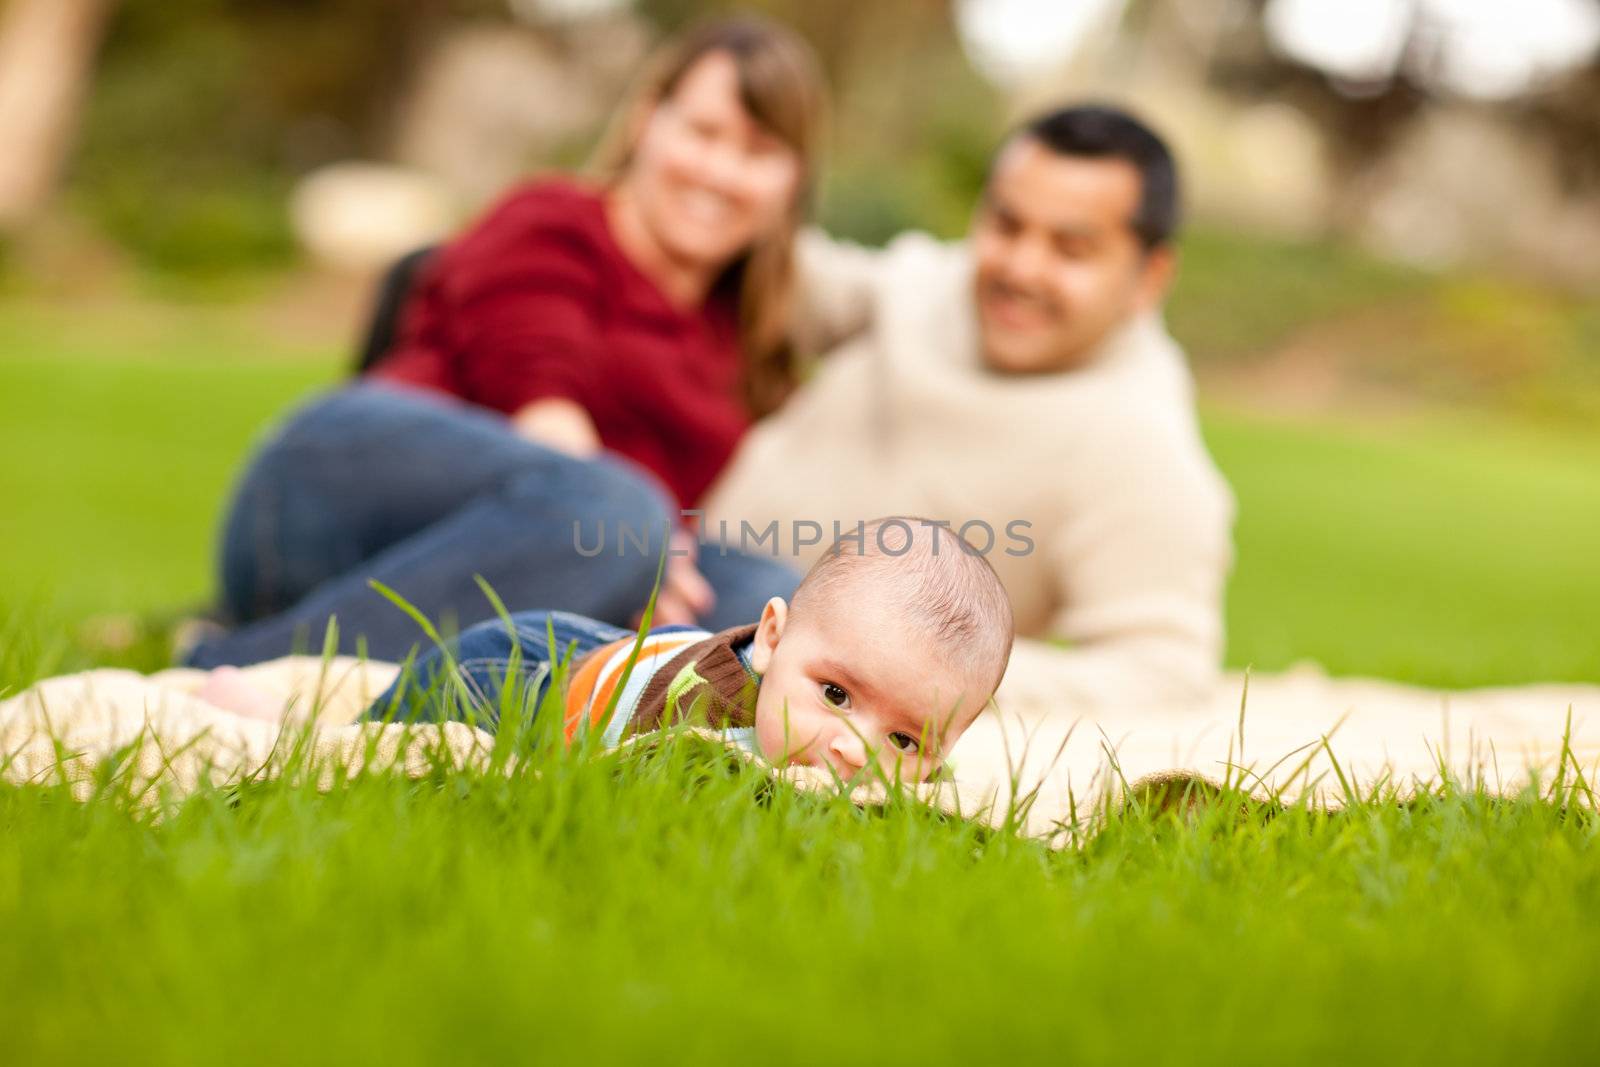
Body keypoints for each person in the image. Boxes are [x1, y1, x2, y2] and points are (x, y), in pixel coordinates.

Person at [186, 16, 824, 669]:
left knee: (773, 603)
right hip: (333, 498)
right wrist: (637, 551)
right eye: (703, 132)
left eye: (756, 151)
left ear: (792, 180)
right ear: (645, 120)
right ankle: (234, 669)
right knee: (618, 513)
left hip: (565, 559)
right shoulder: (552, 221)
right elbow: (545, 413)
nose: (719, 171)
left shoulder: (743, 337)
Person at [700, 105, 1236, 709]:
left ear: (1149, 278)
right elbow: (787, 287)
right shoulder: (935, 284)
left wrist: (910, 672)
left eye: (1072, 249)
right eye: (1007, 226)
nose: (1021, 268)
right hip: (674, 544)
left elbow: (1163, 675)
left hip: (754, 646)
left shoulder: (1140, 442)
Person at [201, 517, 1016, 783]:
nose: (851, 748)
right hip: (523, 672)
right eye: (836, 694)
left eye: (905, 739)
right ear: (771, 639)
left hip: (603, 654)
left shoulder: (867, 772)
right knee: (390, 740)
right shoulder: (700, 730)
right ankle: (286, 720)